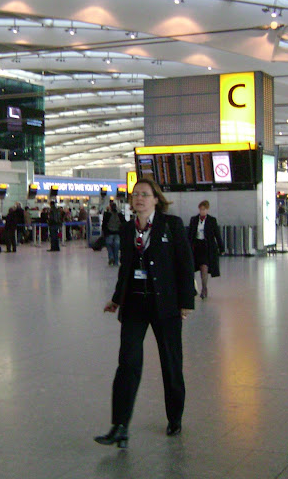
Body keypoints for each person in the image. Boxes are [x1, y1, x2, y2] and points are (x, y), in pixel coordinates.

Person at [95, 178, 195, 448]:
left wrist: (186, 301)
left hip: (165, 305)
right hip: (135, 305)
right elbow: (126, 268)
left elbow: (185, 265)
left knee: (170, 363)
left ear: (156, 199)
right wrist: (117, 299)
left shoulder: (171, 225)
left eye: (144, 194)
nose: (138, 198)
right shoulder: (128, 229)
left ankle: (175, 417)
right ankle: (120, 426)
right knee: (127, 363)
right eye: (135, 194)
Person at [188, 200, 224, 299]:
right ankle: (193, 288)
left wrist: (221, 248)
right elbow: (190, 234)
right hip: (196, 246)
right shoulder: (194, 220)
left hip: (206, 247)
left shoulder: (212, 220)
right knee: (191, 268)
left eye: (204, 209)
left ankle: (204, 288)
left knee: (204, 267)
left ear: (207, 210)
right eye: (201, 209)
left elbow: (217, 235)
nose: (202, 211)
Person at [102, 202, 123, 266]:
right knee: (116, 247)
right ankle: (116, 261)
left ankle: (111, 257)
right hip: (117, 233)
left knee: (109, 246)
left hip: (109, 233)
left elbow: (104, 224)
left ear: (110, 207)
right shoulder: (119, 214)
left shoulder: (107, 214)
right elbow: (123, 223)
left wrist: (104, 233)